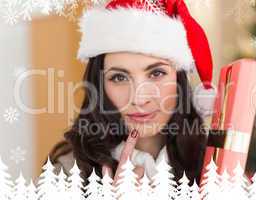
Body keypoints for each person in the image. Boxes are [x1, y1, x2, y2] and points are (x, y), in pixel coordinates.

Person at [47, 0, 216, 186]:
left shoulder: (217, 166)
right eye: (119, 77)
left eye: (156, 73)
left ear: (179, 81)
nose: (139, 98)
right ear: (100, 86)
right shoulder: (64, 174)